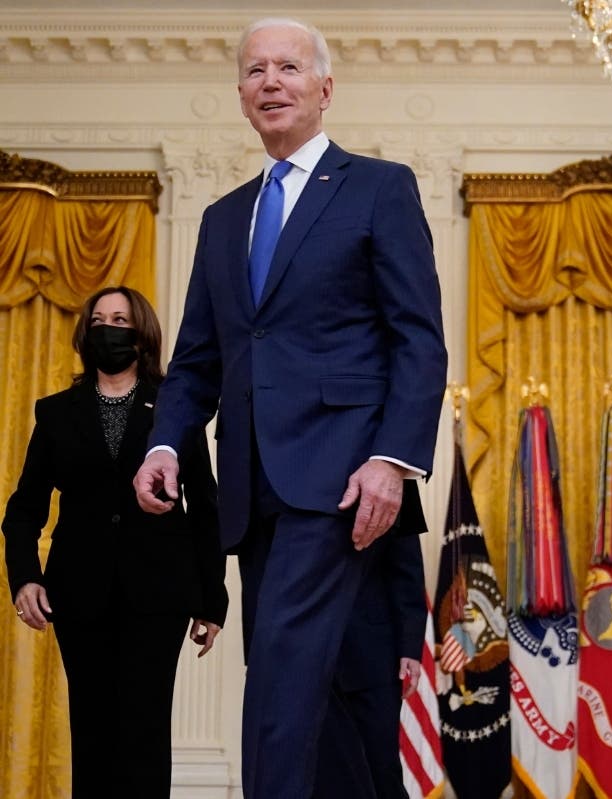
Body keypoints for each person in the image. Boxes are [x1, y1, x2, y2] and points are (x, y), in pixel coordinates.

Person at [131, 16, 448, 798]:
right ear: (240, 95)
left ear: (324, 88)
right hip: (254, 489)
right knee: (320, 680)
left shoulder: (380, 187)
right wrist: (165, 444)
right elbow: (199, 358)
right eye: (254, 71)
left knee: (278, 663)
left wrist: (392, 460)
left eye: (288, 67)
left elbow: (419, 338)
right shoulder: (221, 218)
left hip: (342, 479)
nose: (270, 81)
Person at [3, 286, 227, 798]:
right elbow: (23, 510)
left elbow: (206, 510)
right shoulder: (56, 412)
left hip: (159, 594)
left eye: (121, 319)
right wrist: (24, 579)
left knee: (145, 731)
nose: (109, 328)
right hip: (79, 593)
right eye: (100, 319)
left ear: (141, 333)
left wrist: (212, 602)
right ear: (86, 333)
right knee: (93, 729)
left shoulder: (175, 410)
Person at [314, 533, 426, 799]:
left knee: (381, 770)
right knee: (321, 775)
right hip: (310, 658)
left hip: (374, 656)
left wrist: (410, 647)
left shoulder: (393, 490)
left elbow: (406, 569)